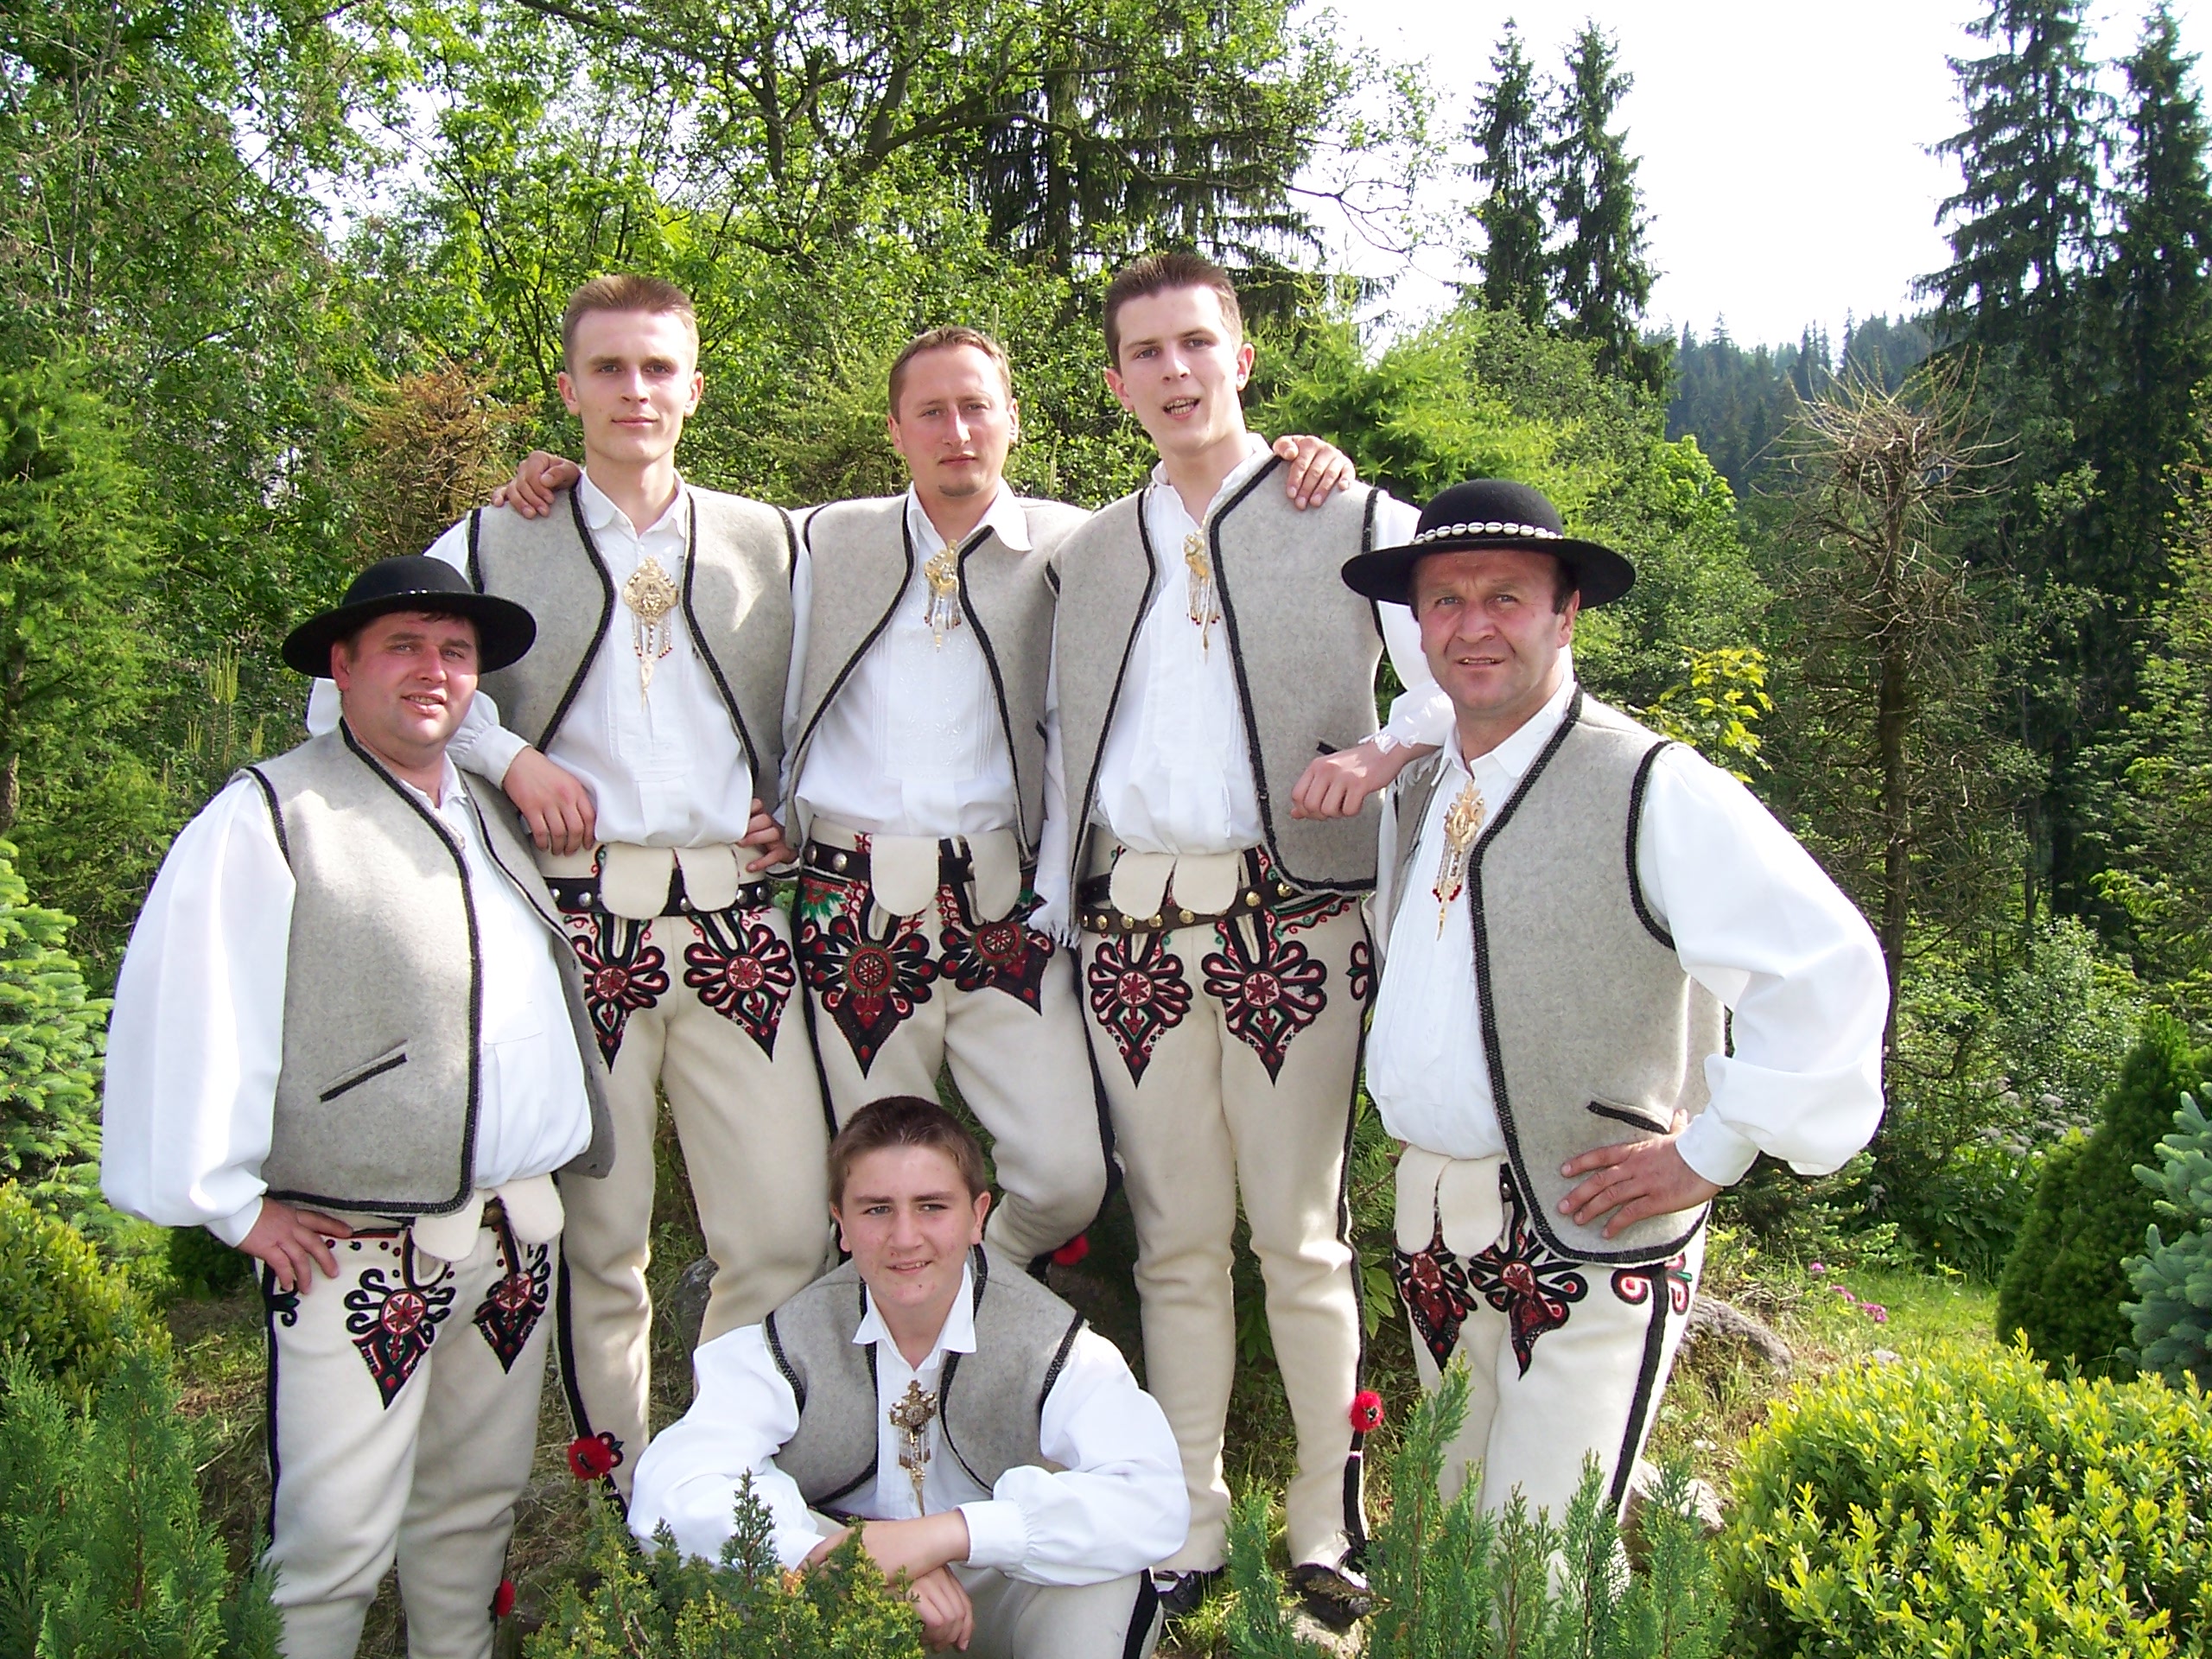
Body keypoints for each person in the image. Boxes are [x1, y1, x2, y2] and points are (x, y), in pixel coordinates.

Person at [491, 326, 1365, 1273]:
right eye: (931, 412)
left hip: (1006, 911)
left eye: (976, 407)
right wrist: (559, 480)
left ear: (1013, 419)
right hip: (853, 906)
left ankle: (969, 1291)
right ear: (896, 430)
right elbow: (685, 564)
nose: (957, 431)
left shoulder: (1078, 545)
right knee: (876, 1183)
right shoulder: (820, 537)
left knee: (1066, 1177)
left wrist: (1291, 461)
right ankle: (897, 1333)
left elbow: (1189, 531)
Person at [307, 274, 829, 1497]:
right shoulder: (494, 541)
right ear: (569, 388)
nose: (635, 391)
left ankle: (729, 1487)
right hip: (575, 922)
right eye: (609, 369)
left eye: (658, 368)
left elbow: (860, 685)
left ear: (695, 389)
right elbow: (349, 692)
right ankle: (625, 1499)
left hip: (738, 921)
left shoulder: (776, 541)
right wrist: (506, 756)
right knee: (603, 1244)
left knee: (780, 1229)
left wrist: (794, 807)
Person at [1339, 477, 1888, 1521]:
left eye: (1505, 597)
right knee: (1451, 1531)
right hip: (1433, 1224)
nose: (1472, 626)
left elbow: (1825, 967)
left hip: (1590, 1234)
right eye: (1446, 600)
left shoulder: (1649, 784)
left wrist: (1711, 1150)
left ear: (1565, 614)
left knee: (1531, 1558)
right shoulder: (1423, 789)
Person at [103, 556, 614, 1659]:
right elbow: (197, 1003)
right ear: (342, 667)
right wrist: (230, 1205)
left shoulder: (489, 812)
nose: (434, 671)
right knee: (332, 1543)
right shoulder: (274, 813)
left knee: (472, 1519)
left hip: (514, 1238)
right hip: (356, 1250)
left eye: (455, 652)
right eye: (403, 646)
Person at [1045, 251, 1445, 1628]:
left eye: (1196, 344)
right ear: (1116, 382)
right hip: (1132, 933)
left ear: (1242, 357)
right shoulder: (1091, 552)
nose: (1175, 371)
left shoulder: (1356, 515)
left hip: (1296, 923)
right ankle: (1189, 1517)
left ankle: (1328, 1520)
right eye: (1146, 352)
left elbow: (1452, 676)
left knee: (1302, 1235)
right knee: (1172, 1243)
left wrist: (1382, 752)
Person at [629, 1096, 1188, 1659]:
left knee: (1107, 1579)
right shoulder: (790, 1342)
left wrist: (947, 1536)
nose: (904, 1237)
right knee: (744, 1558)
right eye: (876, 1210)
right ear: (842, 1224)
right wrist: (842, 1560)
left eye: (931, 1207)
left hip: (1001, 1591)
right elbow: (672, 1488)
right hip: (844, 1603)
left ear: (977, 1216)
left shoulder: (1052, 1344)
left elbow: (1154, 1496)